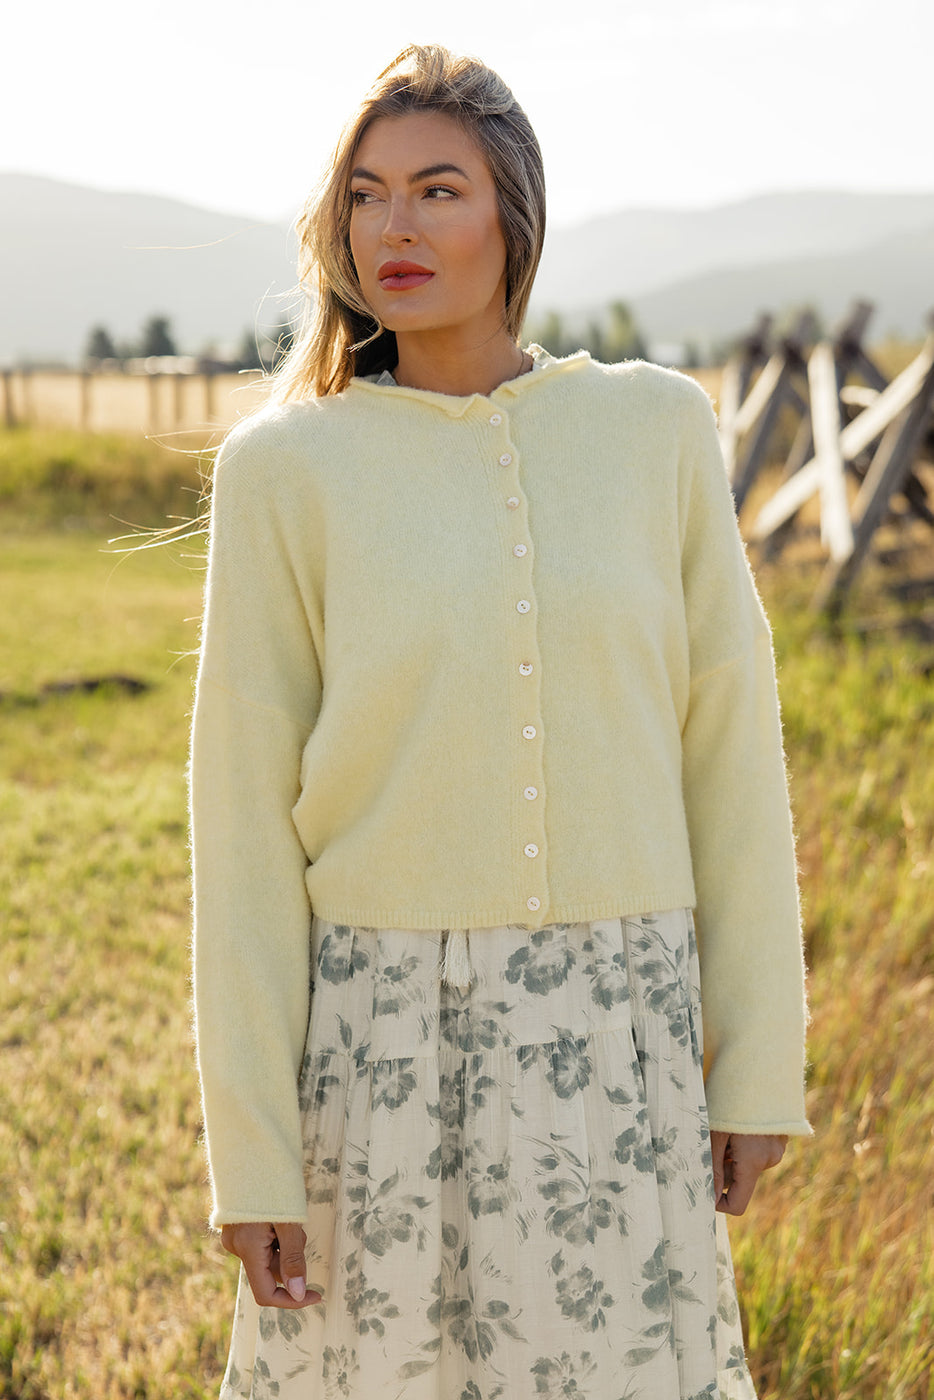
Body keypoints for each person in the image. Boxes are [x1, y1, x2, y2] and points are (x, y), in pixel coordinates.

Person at [190, 43, 810, 1400]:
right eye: (365, 195)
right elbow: (236, 828)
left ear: (511, 214)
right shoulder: (284, 470)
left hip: (615, 1038)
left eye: (436, 189)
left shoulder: (652, 431)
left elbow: (728, 756)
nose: (395, 228)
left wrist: (757, 1063)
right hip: (379, 1049)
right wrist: (252, 1154)